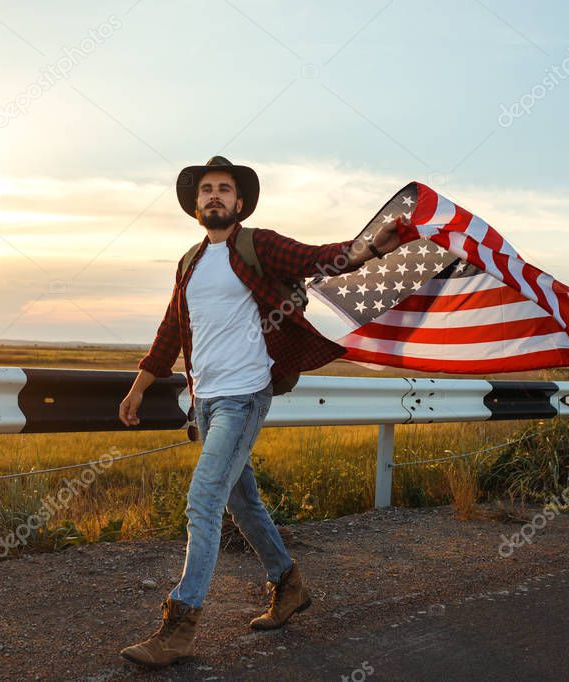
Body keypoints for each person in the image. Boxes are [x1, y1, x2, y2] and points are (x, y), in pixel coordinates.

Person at [117, 156, 404, 669]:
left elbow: (318, 257)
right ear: (195, 204)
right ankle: (289, 584)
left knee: (203, 500)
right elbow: (169, 333)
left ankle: (179, 626)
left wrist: (368, 248)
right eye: (206, 190)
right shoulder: (189, 264)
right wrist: (139, 387)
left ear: (240, 203)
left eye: (224, 189)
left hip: (245, 395)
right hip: (204, 400)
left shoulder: (258, 246)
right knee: (242, 503)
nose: (215, 196)